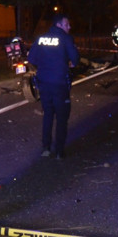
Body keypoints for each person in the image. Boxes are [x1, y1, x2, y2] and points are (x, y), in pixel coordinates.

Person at [27, 14, 79, 159]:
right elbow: (75, 59)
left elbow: (31, 58)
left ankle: (46, 147)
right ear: (59, 25)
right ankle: (59, 151)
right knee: (62, 117)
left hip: (44, 83)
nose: (69, 27)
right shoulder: (66, 38)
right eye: (67, 24)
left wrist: (45, 63)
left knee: (48, 115)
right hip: (60, 84)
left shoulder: (41, 38)